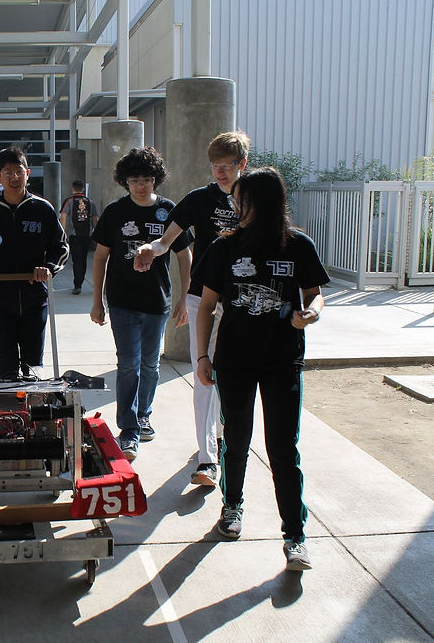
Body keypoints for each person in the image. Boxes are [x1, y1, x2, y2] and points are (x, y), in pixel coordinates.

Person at [196, 166, 328, 571]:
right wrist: (202, 356)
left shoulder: (298, 245)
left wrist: (311, 314)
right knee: (235, 441)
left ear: (263, 203)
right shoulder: (224, 247)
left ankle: (295, 536)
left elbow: (315, 295)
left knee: (283, 448)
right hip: (234, 361)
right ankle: (232, 509)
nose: (237, 207)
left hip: (282, 360)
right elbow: (205, 307)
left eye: (243, 200)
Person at [134, 131, 249, 486]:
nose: (219, 173)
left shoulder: (256, 198)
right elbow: (167, 239)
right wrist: (150, 248)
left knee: (233, 379)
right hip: (203, 297)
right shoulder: (199, 199)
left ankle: (220, 436)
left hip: (244, 301)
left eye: (226, 167)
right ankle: (207, 460)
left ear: (242, 164)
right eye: (214, 166)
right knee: (205, 375)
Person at [90, 147, 192, 461]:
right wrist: (97, 301)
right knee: (128, 365)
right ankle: (129, 429)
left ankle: (144, 414)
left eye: (147, 179)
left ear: (155, 180)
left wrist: (184, 298)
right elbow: (100, 258)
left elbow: (185, 256)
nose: (141, 186)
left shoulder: (169, 211)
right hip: (121, 301)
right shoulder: (115, 212)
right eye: (135, 180)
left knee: (150, 365)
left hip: (156, 302)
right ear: (126, 181)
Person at [0, 147, 69, 380]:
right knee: (7, 367)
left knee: (33, 369)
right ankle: (10, 414)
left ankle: (33, 413)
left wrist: (48, 267)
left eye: (19, 171)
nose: (14, 177)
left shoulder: (43, 209)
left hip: (35, 298)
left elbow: (61, 247)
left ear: (28, 173)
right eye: (7, 172)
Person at [60, 179, 100, 295]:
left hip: (74, 235)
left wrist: (63, 234)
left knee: (76, 260)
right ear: (83, 189)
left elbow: (63, 217)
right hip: (87, 235)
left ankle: (77, 285)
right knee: (83, 259)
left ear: (73, 188)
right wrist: (95, 236)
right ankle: (80, 281)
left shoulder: (69, 201)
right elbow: (95, 219)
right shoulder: (90, 202)